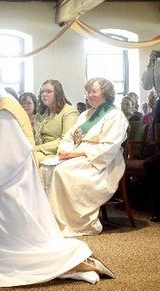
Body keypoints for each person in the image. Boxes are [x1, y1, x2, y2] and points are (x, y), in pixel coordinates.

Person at [0, 58, 115, 287]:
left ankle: (73, 263)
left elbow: (8, 157)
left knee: (18, 242)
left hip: (8, 183)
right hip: (8, 178)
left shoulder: (5, 108)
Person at [40, 77, 128, 237]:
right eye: (88, 92)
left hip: (101, 161)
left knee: (62, 172)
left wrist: (77, 153)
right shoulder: (85, 115)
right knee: (46, 167)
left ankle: (75, 223)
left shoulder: (115, 115)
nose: (89, 95)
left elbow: (110, 146)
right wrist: (66, 152)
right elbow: (69, 137)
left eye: (94, 91)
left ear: (106, 93)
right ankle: (51, 220)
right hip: (77, 155)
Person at [34, 80, 78, 163]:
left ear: (58, 94)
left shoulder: (69, 111)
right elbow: (34, 136)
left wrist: (39, 148)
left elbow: (66, 140)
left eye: (48, 92)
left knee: (31, 160)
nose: (44, 94)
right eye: (42, 92)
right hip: (38, 150)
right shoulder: (39, 114)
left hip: (57, 153)